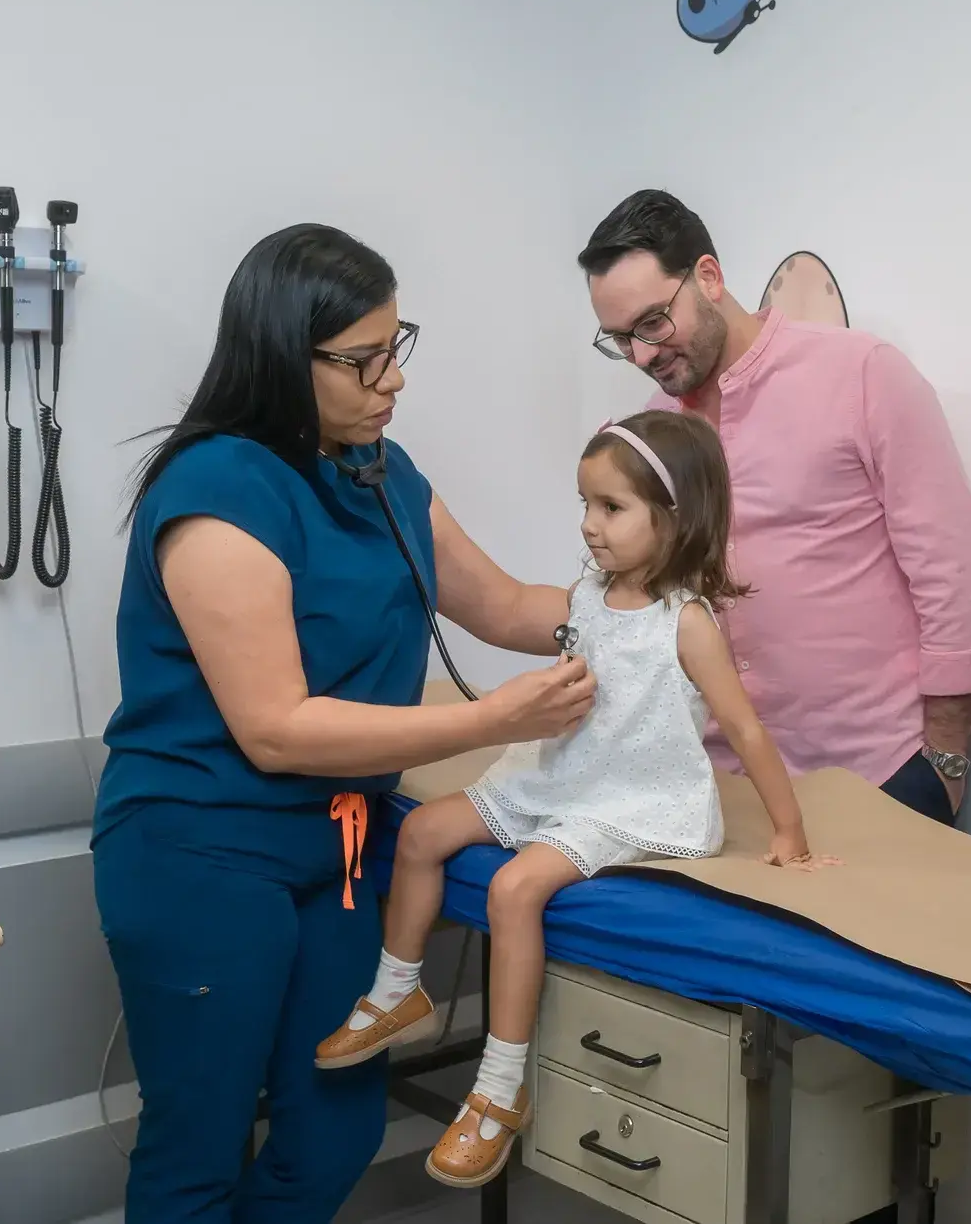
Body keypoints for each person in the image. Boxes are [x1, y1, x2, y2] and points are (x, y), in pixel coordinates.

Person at [92, 224, 600, 1222]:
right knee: (197, 1144)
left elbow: (499, 605)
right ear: (287, 355)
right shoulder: (216, 491)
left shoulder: (381, 472)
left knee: (336, 1132)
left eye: (394, 347)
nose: (391, 380)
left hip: (342, 847)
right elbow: (275, 728)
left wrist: (644, 616)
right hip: (202, 850)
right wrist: (491, 717)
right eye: (362, 360)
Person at [313, 409, 829, 1189]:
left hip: (627, 796)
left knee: (517, 890)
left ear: (676, 517)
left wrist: (787, 829)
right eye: (585, 504)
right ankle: (397, 993)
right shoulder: (587, 594)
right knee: (422, 835)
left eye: (611, 509)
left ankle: (498, 1087)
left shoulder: (685, 624)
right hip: (560, 772)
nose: (589, 527)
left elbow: (747, 731)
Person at [579, 190, 971, 827]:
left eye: (652, 324)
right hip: (720, 782)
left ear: (709, 276)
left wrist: (943, 762)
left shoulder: (862, 372)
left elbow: (956, 571)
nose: (642, 355)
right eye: (620, 339)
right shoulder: (650, 437)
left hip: (876, 772)